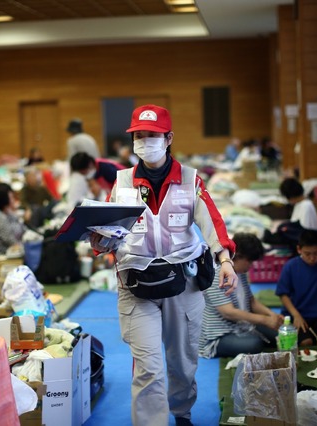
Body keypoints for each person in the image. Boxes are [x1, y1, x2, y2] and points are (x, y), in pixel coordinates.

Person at [89, 104, 237, 426]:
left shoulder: (190, 179)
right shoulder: (123, 182)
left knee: (182, 363)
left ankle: (182, 413)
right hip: (136, 284)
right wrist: (101, 242)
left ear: (168, 138)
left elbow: (213, 222)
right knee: (149, 366)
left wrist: (224, 260)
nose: (145, 141)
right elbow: (112, 231)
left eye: (152, 135)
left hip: (182, 282)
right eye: (139, 136)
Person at [199, 232, 284, 358]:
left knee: (279, 334)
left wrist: (272, 315)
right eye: (249, 261)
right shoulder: (217, 274)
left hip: (242, 326)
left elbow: (251, 301)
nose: (251, 266)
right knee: (255, 344)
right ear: (237, 256)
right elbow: (229, 312)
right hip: (219, 335)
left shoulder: (240, 271)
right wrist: (265, 320)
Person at [0, 183, 27, 255]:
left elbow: (23, 229)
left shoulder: (8, 213)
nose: (14, 200)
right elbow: (11, 241)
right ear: (4, 200)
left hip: (9, 251)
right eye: (11, 197)